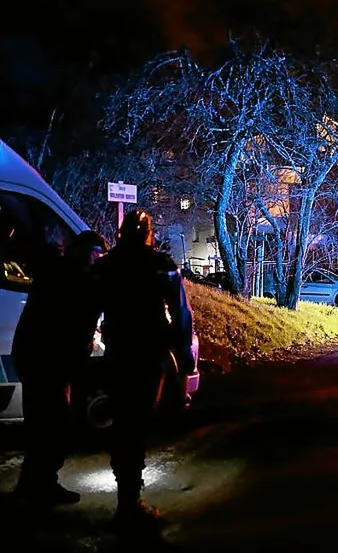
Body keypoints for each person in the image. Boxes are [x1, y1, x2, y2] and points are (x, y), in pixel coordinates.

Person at [95, 210, 194, 530]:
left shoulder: (107, 266)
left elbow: (89, 309)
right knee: (135, 422)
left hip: (119, 353)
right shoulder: (161, 267)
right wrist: (184, 358)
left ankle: (126, 495)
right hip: (148, 355)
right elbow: (181, 313)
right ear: (149, 234)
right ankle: (129, 502)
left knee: (125, 421)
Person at [11, 231, 107, 506]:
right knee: (51, 425)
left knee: (42, 426)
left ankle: (34, 485)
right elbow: (83, 309)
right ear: (87, 253)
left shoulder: (60, 272)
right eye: (96, 256)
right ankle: (38, 489)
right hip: (47, 362)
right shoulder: (72, 278)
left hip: (38, 359)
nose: (98, 262)